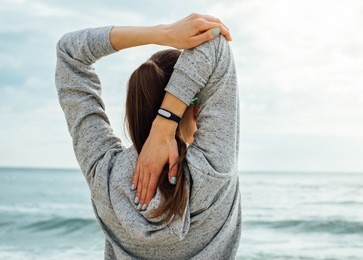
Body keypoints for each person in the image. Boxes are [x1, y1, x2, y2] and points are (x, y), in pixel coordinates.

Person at [55, 13, 241, 260]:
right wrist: (164, 125)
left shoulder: (105, 174)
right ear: (195, 107)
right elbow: (214, 41)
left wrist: (162, 34)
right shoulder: (212, 169)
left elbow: (70, 52)